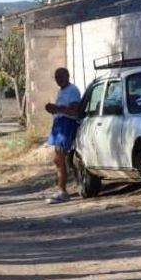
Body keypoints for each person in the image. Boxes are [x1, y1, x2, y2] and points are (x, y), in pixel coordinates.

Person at [44, 67, 81, 204]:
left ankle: (63, 190)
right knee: (57, 159)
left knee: (60, 157)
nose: (58, 80)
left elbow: (74, 111)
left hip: (67, 124)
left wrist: (57, 108)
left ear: (67, 76)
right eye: (56, 78)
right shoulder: (60, 91)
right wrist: (52, 110)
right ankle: (60, 187)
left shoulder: (73, 91)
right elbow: (60, 109)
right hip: (58, 124)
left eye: (60, 77)